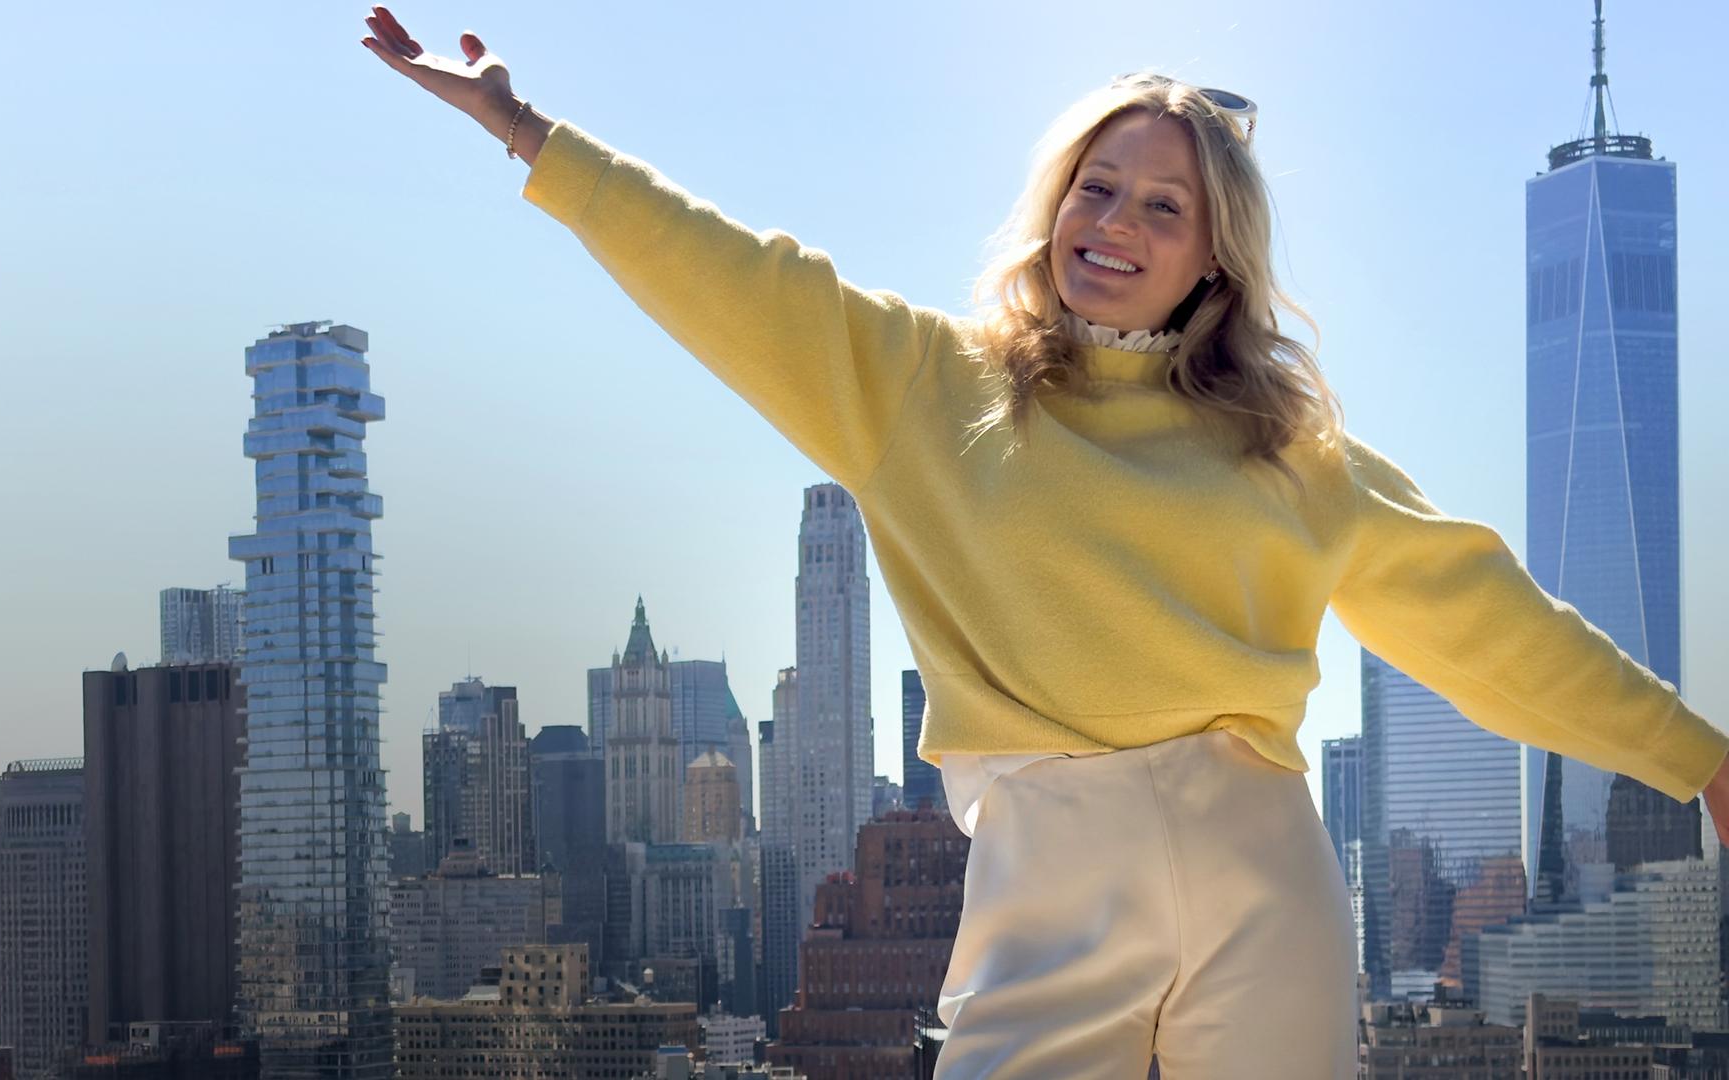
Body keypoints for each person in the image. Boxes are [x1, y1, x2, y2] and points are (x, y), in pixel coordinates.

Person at [360, 11, 1729, 1077]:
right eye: (1097, 186)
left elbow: (1480, 617)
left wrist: (1700, 763)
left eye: (1162, 205)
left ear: (1217, 260)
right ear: (1053, 203)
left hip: (1262, 869)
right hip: (1047, 871)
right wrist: (530, 133)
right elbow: (737, 276)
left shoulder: (1286, 449)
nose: (1116, 223)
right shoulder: (923, 384)